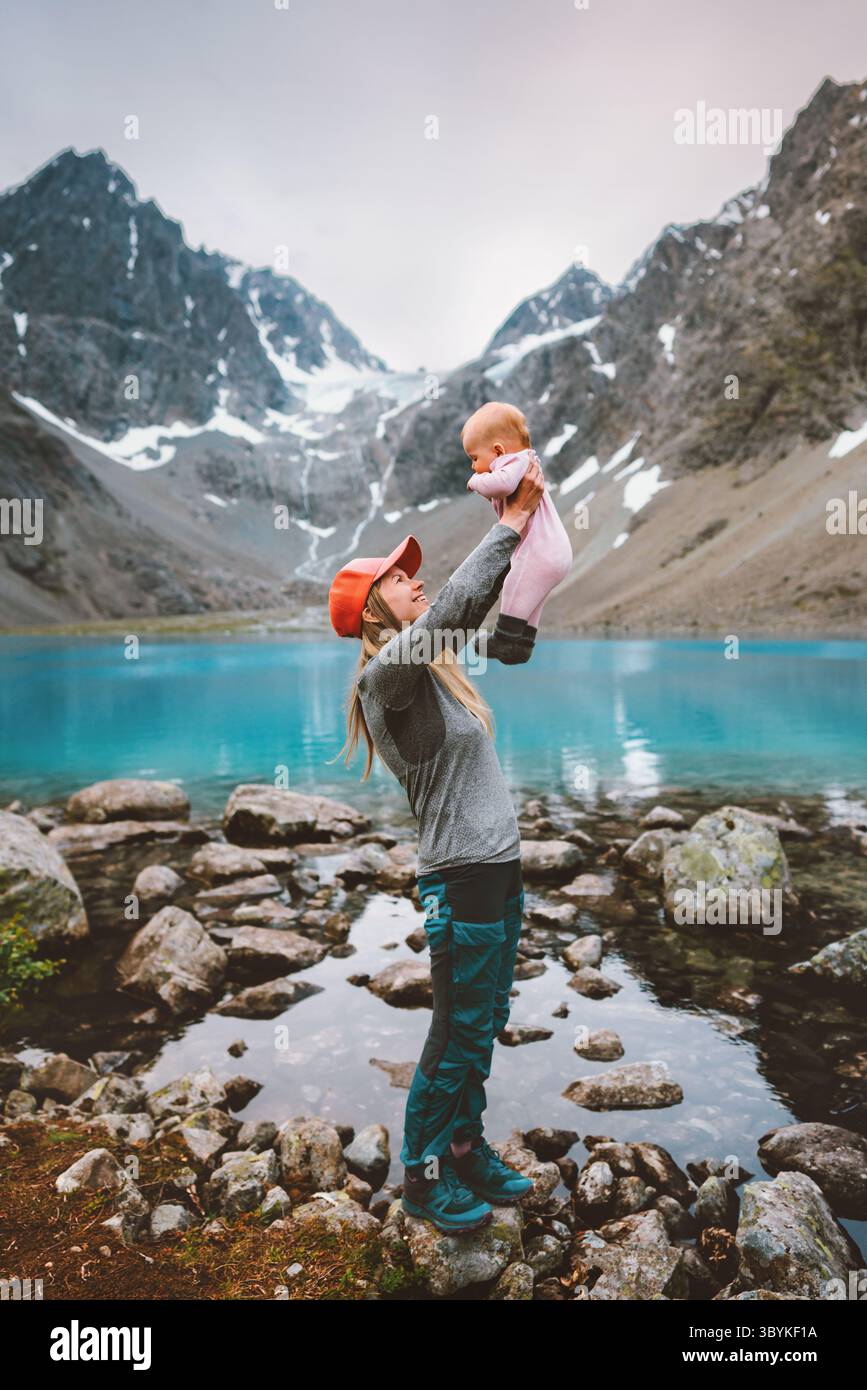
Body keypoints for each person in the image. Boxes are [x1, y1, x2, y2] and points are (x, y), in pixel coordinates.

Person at [327, 455, 545, 1233]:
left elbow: (462, 612)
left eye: (410, 573)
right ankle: (419, 1176)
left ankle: (464, 1149)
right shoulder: (387, 676)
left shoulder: (431, 676)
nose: (412, 580)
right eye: (397, 578)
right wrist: (510, 525)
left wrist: (523, 545)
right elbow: (455, 606)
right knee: (454, 1032)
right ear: (372, 612)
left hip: (495, 874)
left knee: (479, 1028)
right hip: (460, 882)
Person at [463, 401, 573, 664]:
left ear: (498, 451)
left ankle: (503, 637)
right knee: (532, 596)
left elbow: (502, 483)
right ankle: (522, 643)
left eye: (474, 458)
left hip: (540, 552)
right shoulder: (527, 461)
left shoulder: (514, 462)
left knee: (516, 583)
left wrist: (476, 482)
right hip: (557, 553)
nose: (473, 467)